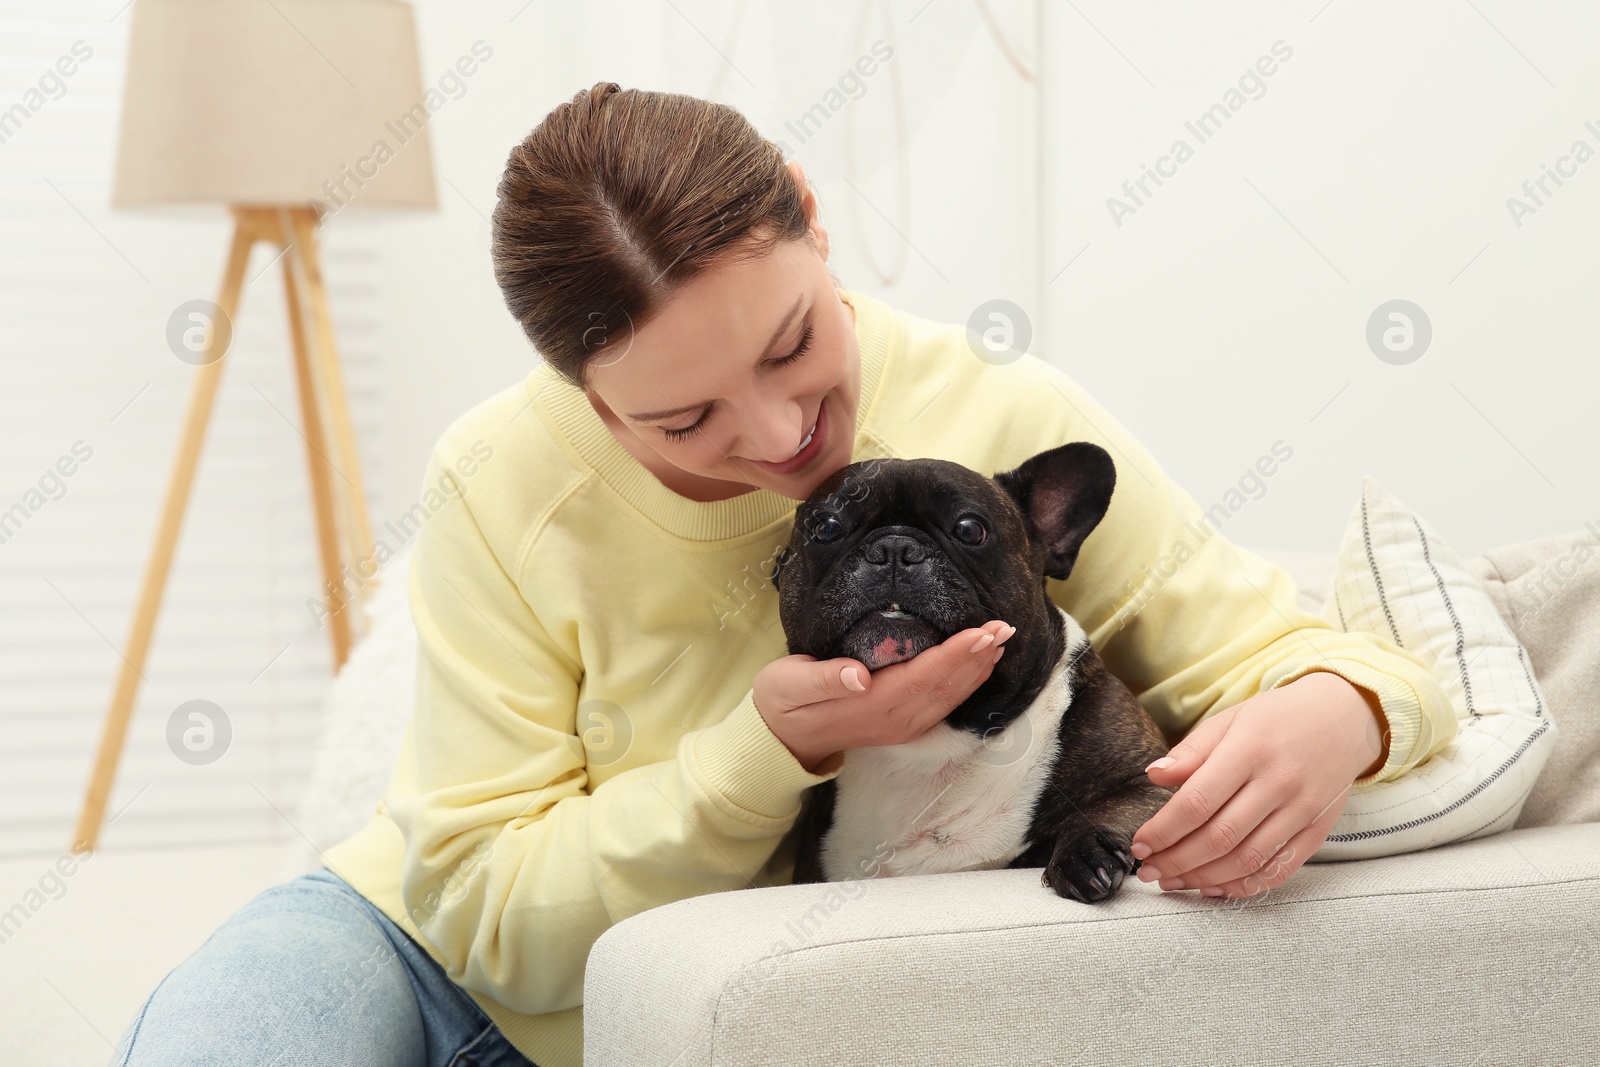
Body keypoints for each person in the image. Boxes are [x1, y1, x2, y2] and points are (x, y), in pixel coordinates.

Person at [111, 82, 1458, 1067]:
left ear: (812, 224)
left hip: (727, 1011)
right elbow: (478, 917)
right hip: (422, 959)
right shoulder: (501, 481)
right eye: (683, 422)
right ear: (579, 395)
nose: (773, 438)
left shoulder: (998, 410)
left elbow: (1324, 656)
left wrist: (1340, 710)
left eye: (792, 345)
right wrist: (757, 757)